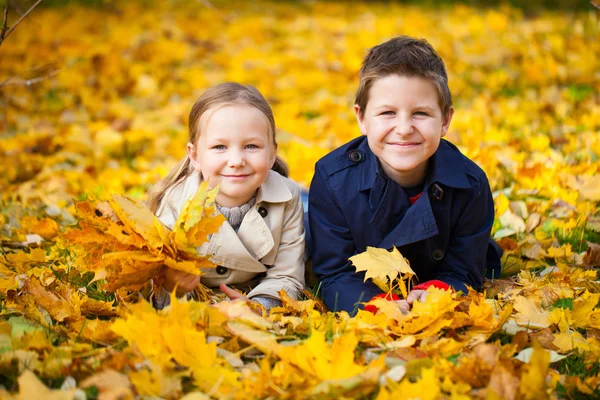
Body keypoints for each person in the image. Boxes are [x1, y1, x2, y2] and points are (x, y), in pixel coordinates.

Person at [308, 36, 501, 315]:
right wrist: (375, 304)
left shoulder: (470, 185)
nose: (403, 128)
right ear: (362, 118)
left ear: (445, 120)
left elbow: (463, 269)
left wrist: (436, 292)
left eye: (420, 113)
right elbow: (335, 272)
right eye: (387, 113)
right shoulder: (333, 180)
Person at [146, 82, 305, 311]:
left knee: (312, 219)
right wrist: (173, 288)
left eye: (251, 146)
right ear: (195, 156)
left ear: (272, 154)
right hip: (200, 300)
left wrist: (259, 306)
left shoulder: (287, 198)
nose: (236, 160)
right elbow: (153, 280)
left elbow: (287, 274)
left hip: (256, 293)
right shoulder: (177, 202)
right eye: (220, 147)